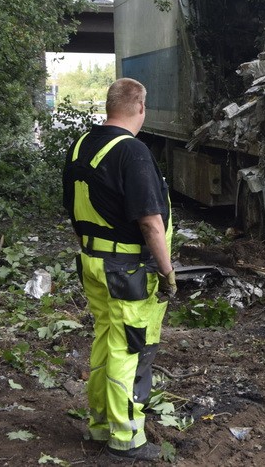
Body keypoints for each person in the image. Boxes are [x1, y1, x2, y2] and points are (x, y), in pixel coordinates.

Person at [62, 77, 177, 462]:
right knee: (130, 347)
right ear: (140, 107)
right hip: (127, 269)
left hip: (92, 262)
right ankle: (127, 437)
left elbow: (74, 208)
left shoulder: (81, 145)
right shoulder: (133, 152)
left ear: (109, 105)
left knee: (105, 339)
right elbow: (150, 222)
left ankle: (99, 424)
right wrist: (167, 271)